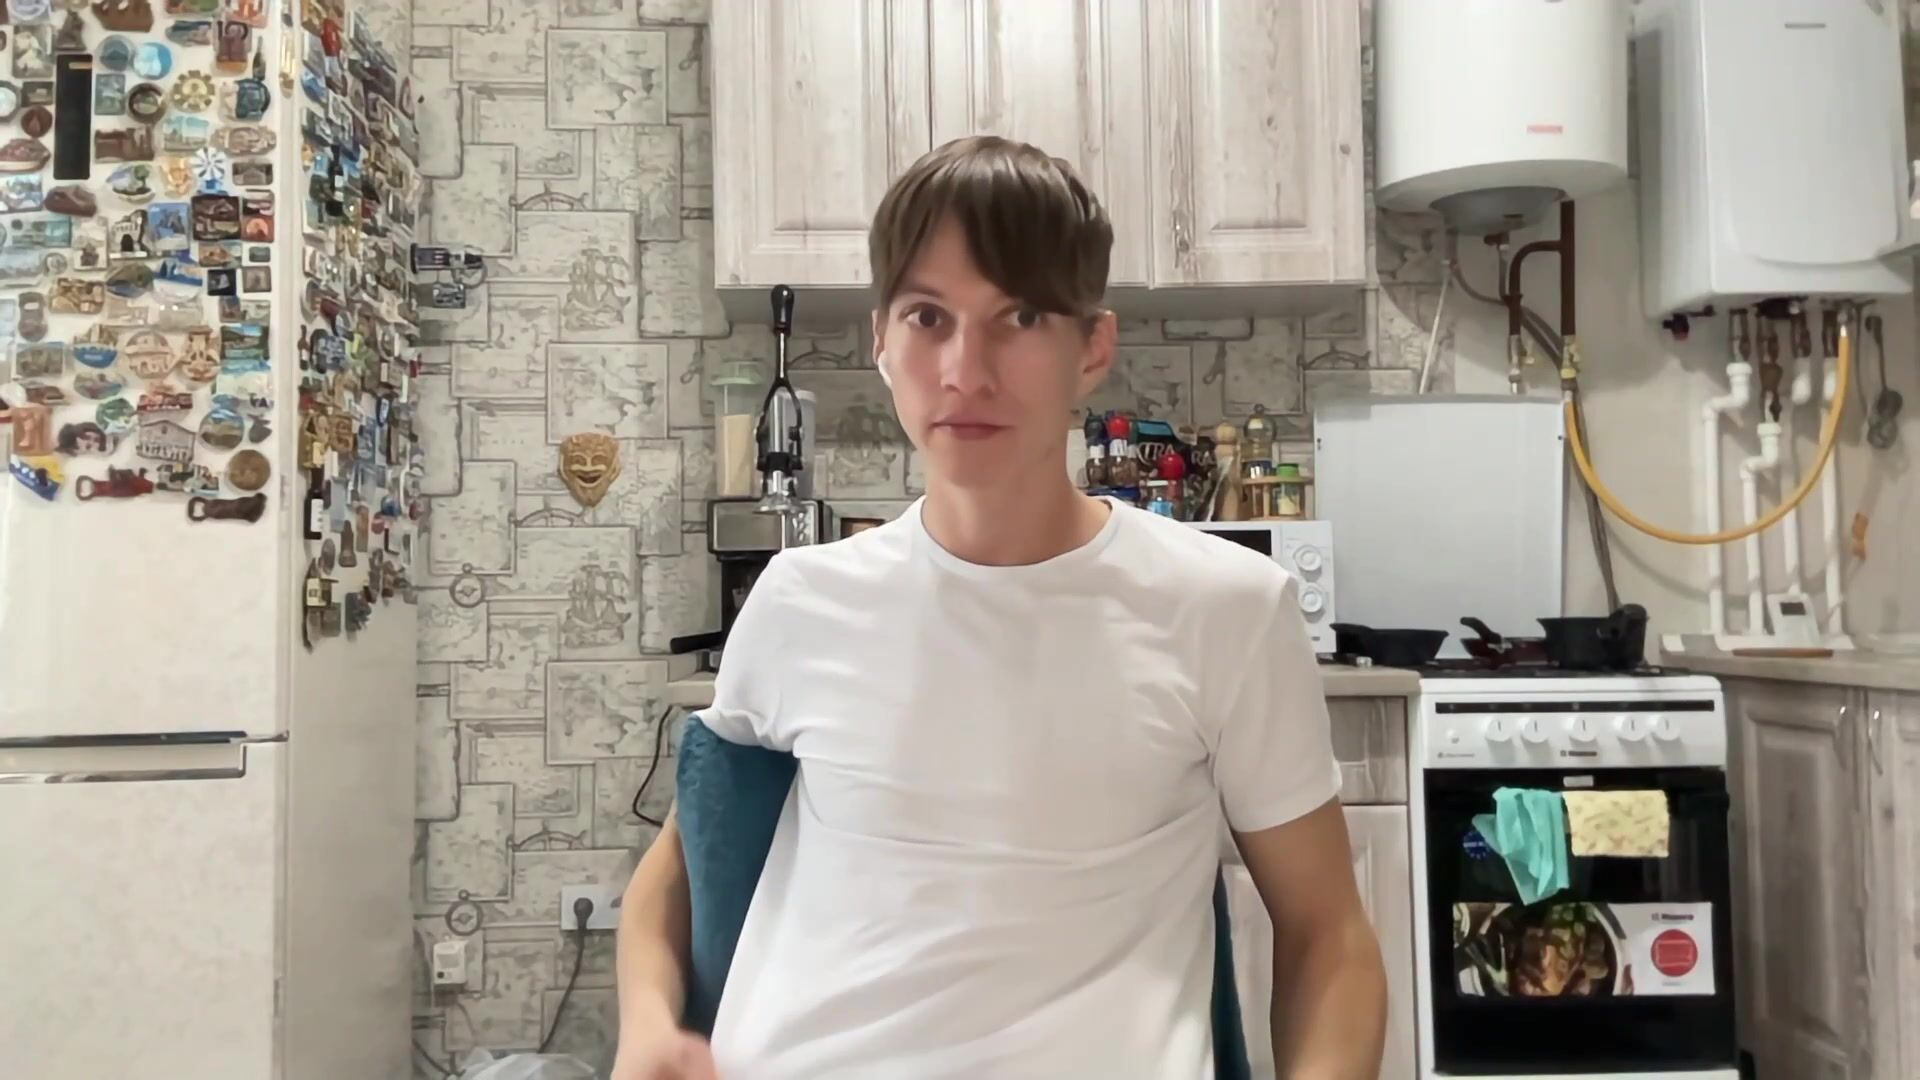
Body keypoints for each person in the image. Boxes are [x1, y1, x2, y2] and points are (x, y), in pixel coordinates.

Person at [613, 135, 1388, 1080]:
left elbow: (1328, 936)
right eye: (927, 317)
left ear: (1092, 346)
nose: (965, 369)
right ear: (881, 340)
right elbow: (681, 864)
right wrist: (647, 1027)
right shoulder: (799, 600)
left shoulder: (1227, 610)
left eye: (1019, 316)